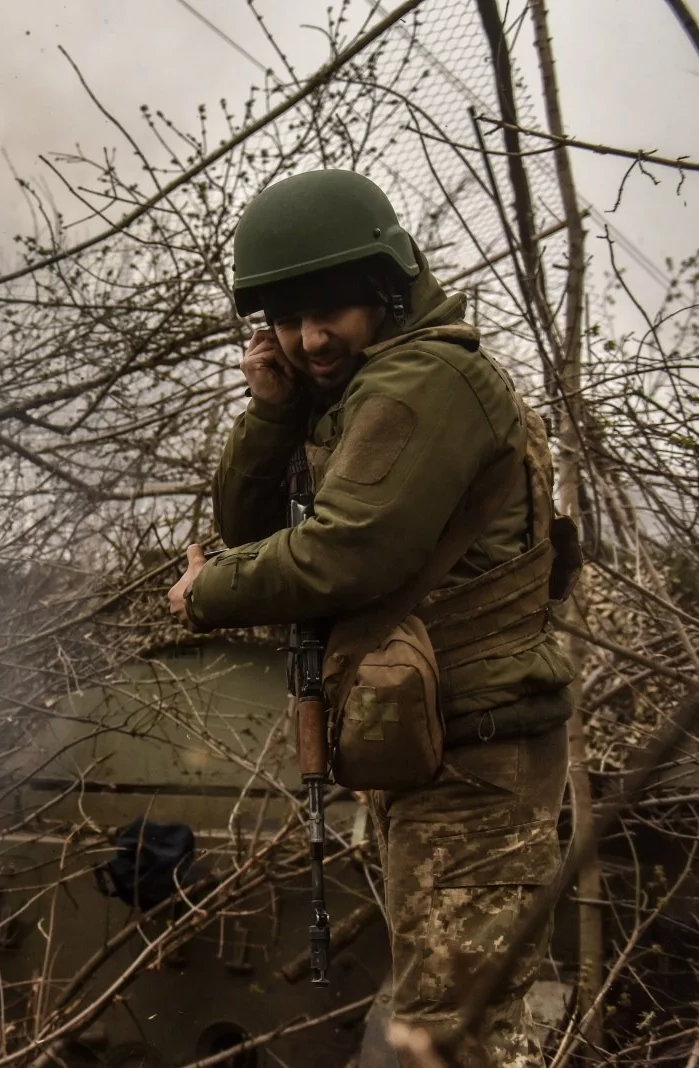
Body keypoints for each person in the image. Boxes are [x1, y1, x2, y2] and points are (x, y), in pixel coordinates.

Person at [167, 170, 576, 1068]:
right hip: (440, 754)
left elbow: (346, 554)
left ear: (386, 289)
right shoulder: (359, 387)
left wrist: (210, 592)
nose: (308, 338)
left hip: (479, 762)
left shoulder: (421, 382)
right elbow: (247, 525)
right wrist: (272, 412)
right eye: (284, 318)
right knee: (440, 1028)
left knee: (450, 1042)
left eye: (329, 313)